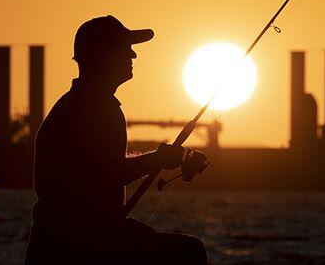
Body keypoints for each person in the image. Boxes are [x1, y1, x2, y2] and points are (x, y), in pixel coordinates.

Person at [25, 15, 209, 264]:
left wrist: (159, 159)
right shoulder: (96, 106)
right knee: (190, 252)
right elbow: (106, 173)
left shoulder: (73, 102)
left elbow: (99, 170)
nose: (133, 56)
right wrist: (159, 159)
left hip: (60, 242)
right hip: (79, 245)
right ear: (104, 56)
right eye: (126, 48)